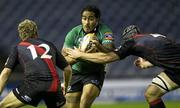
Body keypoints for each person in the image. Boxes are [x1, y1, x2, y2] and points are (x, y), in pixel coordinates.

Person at [66, 25, 180, 108]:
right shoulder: (154, 36)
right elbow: (167, 54)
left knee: (152, 94)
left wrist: (80, 55)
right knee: (152, 93)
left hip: (176, 70)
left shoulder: (131, 43)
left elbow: (107, 58)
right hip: (174, 71)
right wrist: (147, 63)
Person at [0, 19, 72, 108]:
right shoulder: (49, 45)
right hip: (53, 86)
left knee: (3, 105)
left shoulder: (18, 47)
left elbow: (5, 73)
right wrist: (65, 85)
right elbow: (67, 69)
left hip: (33, 85)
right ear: (36, 32)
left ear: (20, 34)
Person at [61, 5, 115, 108]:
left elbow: (110, 52)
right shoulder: (73, 33)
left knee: (85, 101)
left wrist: (99, 46)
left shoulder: (105, 31)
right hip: (76, 73)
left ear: (97, 19)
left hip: (94, 72)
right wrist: (80, 55)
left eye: (91, 19)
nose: (87, 22)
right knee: (71, 106)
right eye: (84, 18)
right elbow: (64, 61)